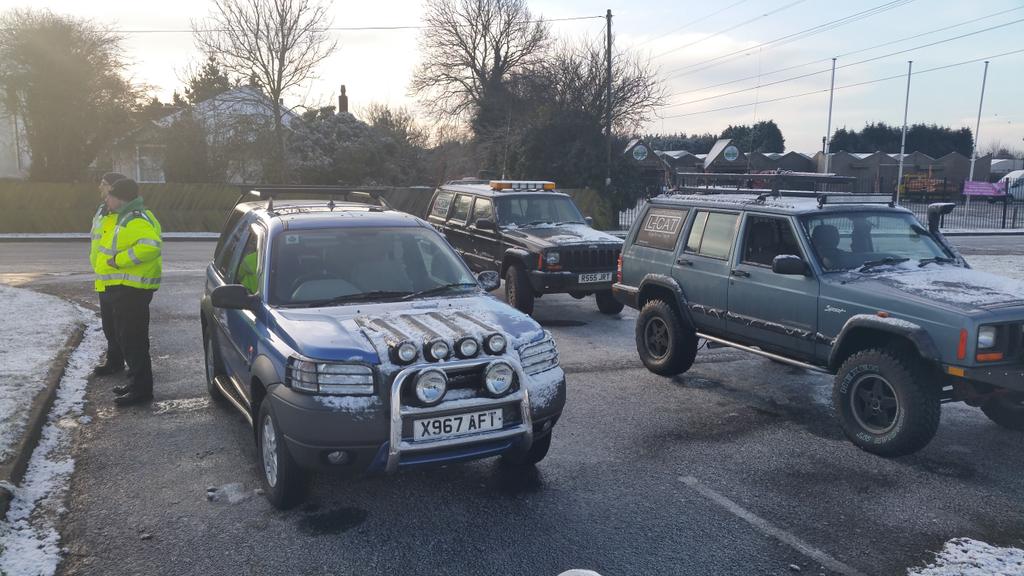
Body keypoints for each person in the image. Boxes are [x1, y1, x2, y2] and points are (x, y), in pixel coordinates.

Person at [95, 179, 163, 406]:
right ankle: (136, 383)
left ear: (121, 197)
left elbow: (151, 246)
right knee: (128, 338)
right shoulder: (125, 216)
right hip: (126, 289)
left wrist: (118, 261)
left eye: (110, 195)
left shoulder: (134, 219)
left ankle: (141, 390)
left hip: (132, 290)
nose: (107, 198)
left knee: (133, 340)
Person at [91, 172, 128, 377]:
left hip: (118, 277)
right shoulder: (102, 210)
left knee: (123, 325)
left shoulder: (120, 211)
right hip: (103, 275)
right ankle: (114, 360)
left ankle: (129, 366)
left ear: (114, 187)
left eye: (104, 184)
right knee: (109, 324)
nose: (100, 187)